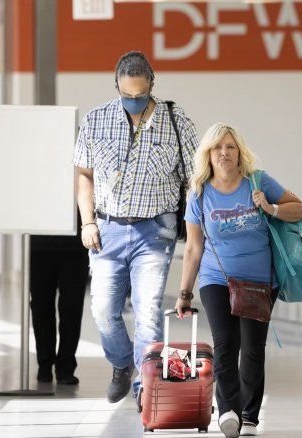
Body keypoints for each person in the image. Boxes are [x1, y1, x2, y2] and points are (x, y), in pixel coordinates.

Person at [72, 51, 198, 404]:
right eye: (127, 95)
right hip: (107, 229)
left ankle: (147, 387)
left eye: (140, 95)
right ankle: (122, 363)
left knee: (147, 309)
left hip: (155, 231)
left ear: (152, 85)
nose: (134, 101)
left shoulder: (178, 123)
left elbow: (193, 180)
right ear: (117, 87)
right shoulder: (96, 120)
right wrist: (87, 222)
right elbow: (84, 175)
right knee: (103, 310)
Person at [175, 123, 302, 437]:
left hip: (259, 280)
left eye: (230, 147)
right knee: (225, 342)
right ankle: (228, 411)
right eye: (217, 147)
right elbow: (193, 247)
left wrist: (271, 207)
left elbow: (298, 209)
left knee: (252, 348)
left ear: (238, 151)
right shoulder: (199, 192)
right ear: (207, 153)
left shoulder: (258, 182)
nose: (224, 153)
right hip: (216, 277)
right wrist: (184, 292)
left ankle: (249, 416)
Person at [29, 213, 89, 385]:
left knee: (71, 308)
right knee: (41, 307)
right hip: (38, 244)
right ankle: (45, 365)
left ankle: (65, 367)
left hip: (76, 245)